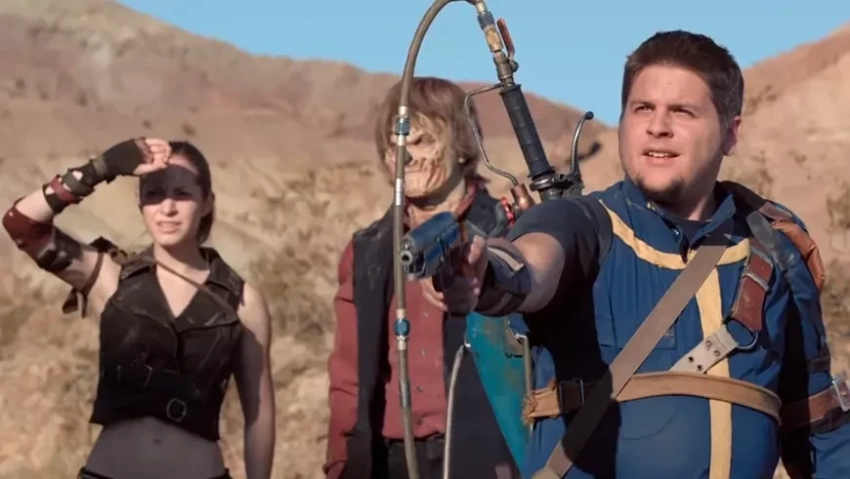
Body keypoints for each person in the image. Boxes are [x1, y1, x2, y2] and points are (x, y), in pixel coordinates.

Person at [422, 30, 850, 478]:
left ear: (730, 133)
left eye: (682, 111)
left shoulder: (772, 245)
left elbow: (818, 427)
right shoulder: (584, 225)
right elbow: (529, 262)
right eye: (642, 108)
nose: (657, 126)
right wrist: (486, 274)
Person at [2, 139, 276, 479]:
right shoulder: (109, 276)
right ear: (140, 204)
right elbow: (21, 224)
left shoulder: (243, 301)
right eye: (154, 194)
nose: (167, 208)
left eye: (182, 194)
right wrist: (101, 168)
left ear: (207, 202)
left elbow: (259, 414)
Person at [323, 76, 519, 479]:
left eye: (421, 141)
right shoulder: (366, 251)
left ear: (461, 145)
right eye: (395, 145)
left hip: (487, 458)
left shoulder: (510, 231)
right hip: (390, 460)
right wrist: (343, 464)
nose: (405, 157)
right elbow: (348, 377)